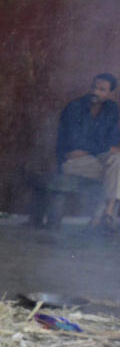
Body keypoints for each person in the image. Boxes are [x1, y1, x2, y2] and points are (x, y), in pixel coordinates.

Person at [56, 72, 120, 229]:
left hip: (93, 158)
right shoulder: (75, 107)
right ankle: (104, 215)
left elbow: (112, 140)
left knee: (117, 161)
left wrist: (88, 150)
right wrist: (101, 148)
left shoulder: (112, 109)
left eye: (102, 89)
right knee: (114, 170)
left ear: (110, 93)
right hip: (72, 161)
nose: (95, 92)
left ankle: (105, 213)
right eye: (94, 87)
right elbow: (73, 141)